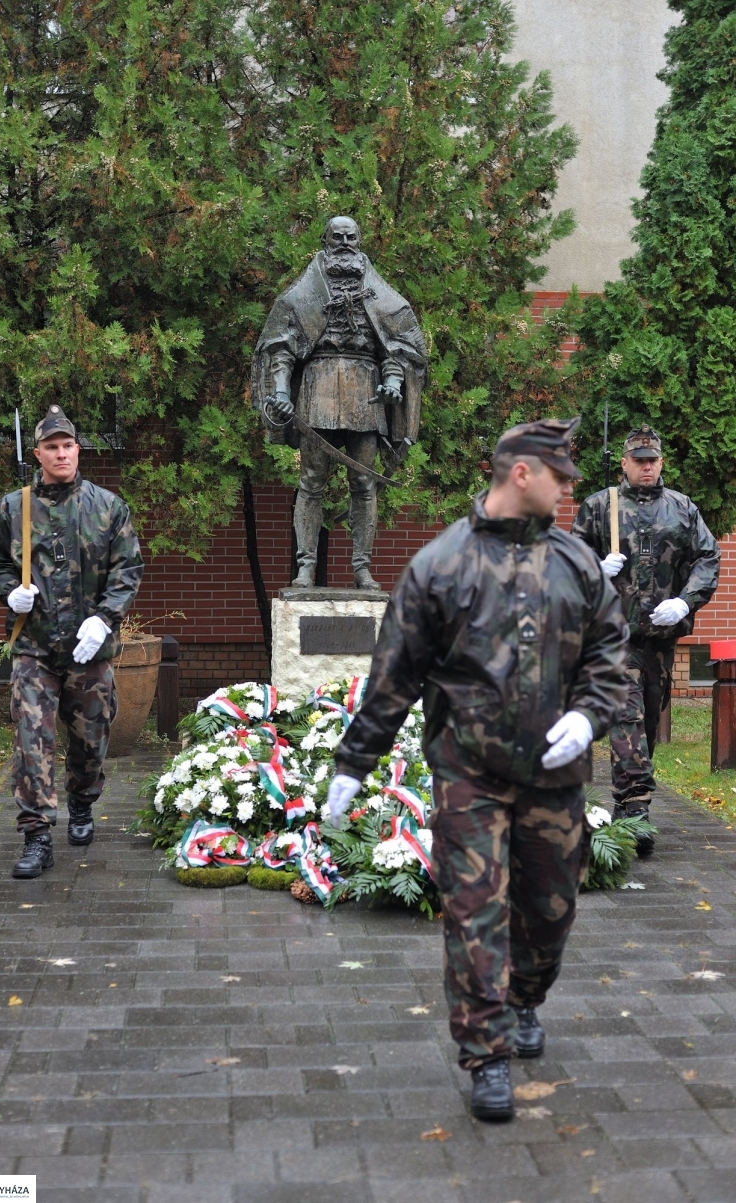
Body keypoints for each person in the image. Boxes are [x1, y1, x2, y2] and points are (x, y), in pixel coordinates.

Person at [326, 418, 629, 1122]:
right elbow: (394, 675)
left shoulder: (577, 562)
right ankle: (486, 1053)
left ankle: (525, 995)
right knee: (474, 909)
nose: (570, 487)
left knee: (550, 909)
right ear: (522, 473)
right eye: (561, 475)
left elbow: (611, 655)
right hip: (471, 772)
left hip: (555, 777)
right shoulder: (441, 564)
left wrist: (589, 715)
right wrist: (354, 762)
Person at [0, 405, 144, 878]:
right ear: (38, 453)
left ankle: (82, 800)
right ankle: (35, 835)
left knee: (90, 739)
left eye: (67, 445)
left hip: (88, 649)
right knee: (33, 740)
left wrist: (104, 619)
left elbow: (127, 569)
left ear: (78, 450)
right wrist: (10, 593)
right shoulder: (14, 507)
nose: (61, 453)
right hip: (34, 648)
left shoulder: (108, 506)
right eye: (51, 447)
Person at [251, 216, 427, 590]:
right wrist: (281, 391)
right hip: (319, 388)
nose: (345, 242)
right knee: (311, 481)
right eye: (338, 237)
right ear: (325, 241)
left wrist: (393, 380)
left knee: (364, 482)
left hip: (366, 394)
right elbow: (281, 347)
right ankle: (305, 567)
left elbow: (396, 348)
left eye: (352, 237)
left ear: (360, 242)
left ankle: (362, 567)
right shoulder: (304, 295)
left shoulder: (382, 297)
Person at [572, 425, 720, 852]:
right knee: (628, 717)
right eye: (639, 460)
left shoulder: (682, 508)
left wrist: (686, 602)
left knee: (648, 722)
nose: (647, 466)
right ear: (624, 463)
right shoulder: (601, 507)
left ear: (661, 461)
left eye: (652, 459)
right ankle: (636, 811)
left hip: (660, 639)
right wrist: (595, 568)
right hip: (613, 638)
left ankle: (626, 802)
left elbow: (707, 556)